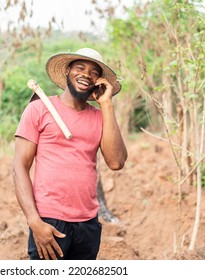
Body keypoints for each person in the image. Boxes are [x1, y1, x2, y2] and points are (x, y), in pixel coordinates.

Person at [13, 48, 128, 260]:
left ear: (98, 82)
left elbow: (116, 162)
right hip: (49, 221)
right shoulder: (38, 109)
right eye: (80, 68)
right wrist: (34, 221)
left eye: (94, 72)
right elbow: (20, 166)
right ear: (67, 71)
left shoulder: (100, 117)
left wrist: (106, 103)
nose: (86, 74)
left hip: (88, 225)